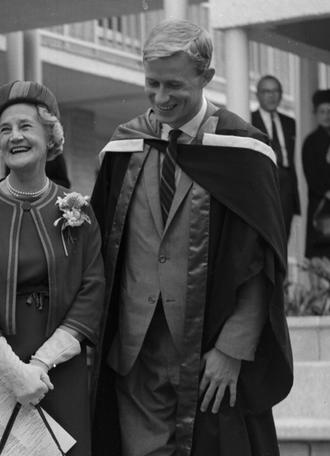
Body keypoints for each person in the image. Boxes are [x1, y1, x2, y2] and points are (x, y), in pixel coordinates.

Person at [91, 20, 293, 456]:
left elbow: (262, 262)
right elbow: (99, 250)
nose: (161, 98)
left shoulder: (243, 151)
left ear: (206, 77)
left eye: (174, 85)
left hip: (209, 352)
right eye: (151, 84)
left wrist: (234, 348)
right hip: (134, 349)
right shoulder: (124, 147)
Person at [0, 80, 105, 456]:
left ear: (50, 137)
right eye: (5, 130)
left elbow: (92, 290)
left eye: (25, 127)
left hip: (56, 369)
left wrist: (39, 364)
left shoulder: (78, 210)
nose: (14, 137)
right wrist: (12, 369)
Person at [252, 74, 300, 240]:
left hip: (286, 184)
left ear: (281, 94)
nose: (271, 96)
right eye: (266, 91)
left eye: (275, 91)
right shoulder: (249, 120)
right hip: (262, 183)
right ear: (257, 95)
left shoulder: (289, 123)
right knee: (262, 237)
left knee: (283, 236)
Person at [302, 89, 330, 259]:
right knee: (321, 256)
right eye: (322, 111)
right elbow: (310, 175)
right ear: (316, 114)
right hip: (321, 205)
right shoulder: (311, 142)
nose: (326, 115)